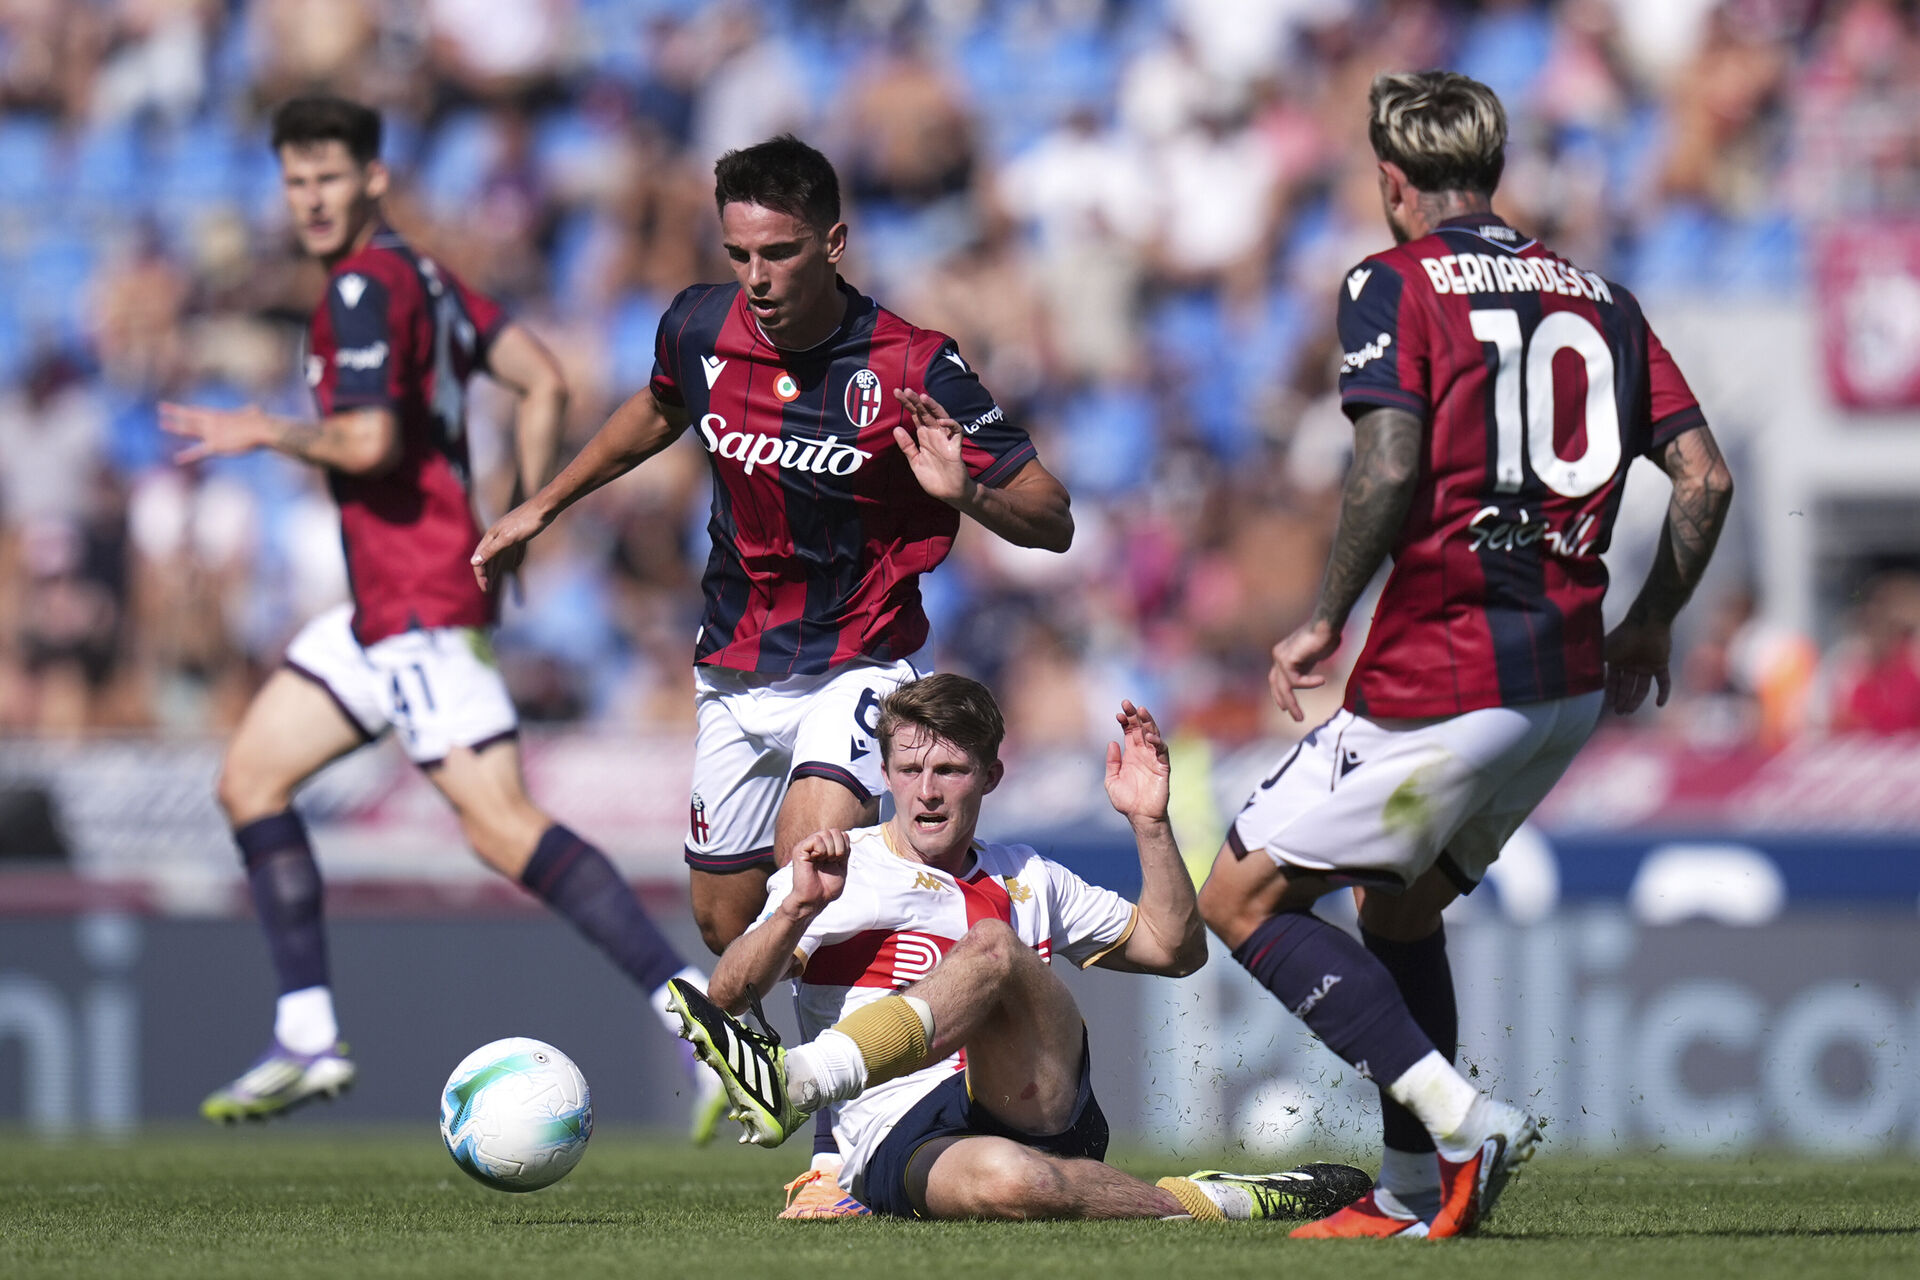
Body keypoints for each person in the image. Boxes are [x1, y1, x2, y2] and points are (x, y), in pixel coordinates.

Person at [470, 134, 1074, 1214]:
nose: (757, 276)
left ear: (834, 243)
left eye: (781, 253)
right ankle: (837, 1066)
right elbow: (659, 406)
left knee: (815, 870)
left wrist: (966, 490)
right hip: (733, 664)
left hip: (862, 656)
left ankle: (840, 1147)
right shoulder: (700, 325)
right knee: (727, 919)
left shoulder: (912, 364)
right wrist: (544, 502)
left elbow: (1054, 515)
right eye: (740, 251)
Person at [1195, 71, 1735, 1240]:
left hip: (1446, 669)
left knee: (1235, 894)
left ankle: (1456, 1114)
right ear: (1494, 172)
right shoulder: (1604, 298)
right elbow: (1707, 478)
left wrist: (1327, 614)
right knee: (1395, 913)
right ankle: (1406, 1191)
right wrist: (1652, 619)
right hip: (1567, 684)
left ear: (1393, 182)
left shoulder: (1390, 281)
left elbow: (1388, 466)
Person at [160, 96, 720, 1134]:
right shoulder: (424, 275)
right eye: (295, 181)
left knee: (501, 825)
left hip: (417, 602)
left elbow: (369, 442)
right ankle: (307, 1032)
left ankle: (702, 1025)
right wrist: (514, 517)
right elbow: (540, 378)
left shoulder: (365, 290)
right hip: (384, 607)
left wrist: (264, 429)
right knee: (250, 777)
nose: (311, 198)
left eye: (329, 177)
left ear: (374, 177)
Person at [667, 673, 1372, 1222]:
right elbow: (728, 998)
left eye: (950, 771)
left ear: (991, 777)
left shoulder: (1028, 874)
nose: (927, 793)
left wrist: (1150, 824)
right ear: (884, 777)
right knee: (1016, 1185)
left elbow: (1175, 950)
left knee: (996, 948)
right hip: (895, 1137)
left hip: (1034, 1094)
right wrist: (794, 908)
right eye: (909, 772)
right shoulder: (835, 867)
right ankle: (1225, 1202)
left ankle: (799, 1083)